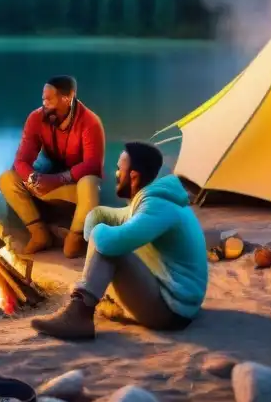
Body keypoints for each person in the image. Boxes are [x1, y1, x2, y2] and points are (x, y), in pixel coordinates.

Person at [31, 141, 208, 341]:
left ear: (133, 176)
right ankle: (88, 301)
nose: (114, 175)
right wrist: (96, 217)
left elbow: (111, 243)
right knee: (107, 234)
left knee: (112, 244)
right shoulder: (155, 200)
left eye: (118, 169)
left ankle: (79, 315)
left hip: (172, 311)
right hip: (179, 301)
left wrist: (95, 236)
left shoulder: (158, 206)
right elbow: (123, 217)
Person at [0, 75, 105, 259]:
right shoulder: (36, 118)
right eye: (43, 99)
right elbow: (21, 160)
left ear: (68, 97)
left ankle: (74, 238)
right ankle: (40, 233)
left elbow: (93, 164)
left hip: (73, 186)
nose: (44, 104)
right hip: (47, 180)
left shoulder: (90, 122)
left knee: (90, 183)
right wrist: (33, 178)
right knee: (7, 179)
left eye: (49, 99)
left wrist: (58, 180)